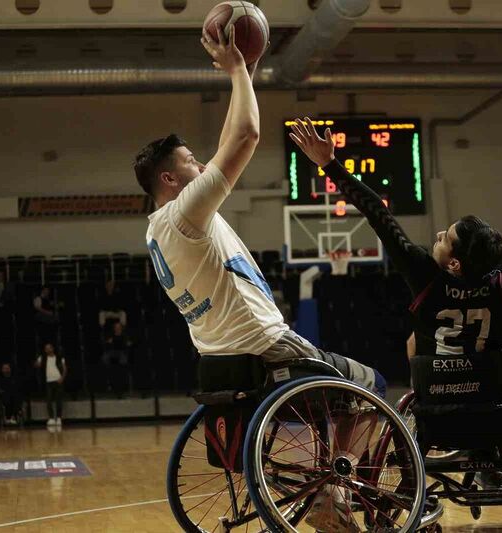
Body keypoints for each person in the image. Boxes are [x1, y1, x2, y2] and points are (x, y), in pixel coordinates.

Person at [135, 30, 383, 532]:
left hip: (220, 359)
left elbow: (229, 138)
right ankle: (331, 490)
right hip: (266, 346)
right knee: (371, 386)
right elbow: (246, 137)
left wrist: (239, 77)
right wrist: (239, 70)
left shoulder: (158, 229)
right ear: (169, 179)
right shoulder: (185, 211)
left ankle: (320, 483)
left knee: (336, 388)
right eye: (189, 162)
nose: (201, 165)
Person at [289, 117, 502, 493]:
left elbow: (377, 213)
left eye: (445, 238)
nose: (437, 235)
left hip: (434, 398)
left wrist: (330, 166)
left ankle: (409, 485)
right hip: (491, 402)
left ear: (454, 263)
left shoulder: (425, 275)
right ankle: (501, 461)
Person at [34, 343, 67, 427]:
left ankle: (59, 418)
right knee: (48, 400)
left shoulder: (59, 357)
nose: (47, 350)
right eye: (46, 349)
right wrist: (37, 363)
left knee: (58, 400)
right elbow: (37, 365)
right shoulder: (43, 358)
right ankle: (51, 418)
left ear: (52, 348)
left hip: (58, 380)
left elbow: (65, 369)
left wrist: (62, 378)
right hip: (48, 382)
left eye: (49, 348)